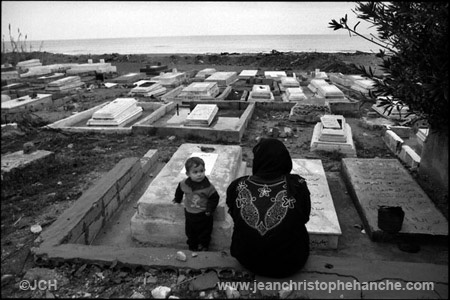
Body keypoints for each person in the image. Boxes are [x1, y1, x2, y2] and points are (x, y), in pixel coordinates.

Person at [226, 138, 311, 278]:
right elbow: (304, 217)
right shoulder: (297, 185)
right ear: (285, 159)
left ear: (258, 160)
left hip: (247, 259)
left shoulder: (237, 185)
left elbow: (235, 216)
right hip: (290, 263)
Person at [173, 156, 219, 251]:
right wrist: (177, 199)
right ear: (187, 173)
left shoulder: (208, 187)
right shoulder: (184, 183)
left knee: (205, 232)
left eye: (202, 171)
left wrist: (209, 209)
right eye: (195, 172)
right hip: (189, 213)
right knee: (190, 232)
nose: (199, 174)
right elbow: (179, 190)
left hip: (204, 215)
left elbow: (214, 198)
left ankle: (204, 245)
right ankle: (192, 246)